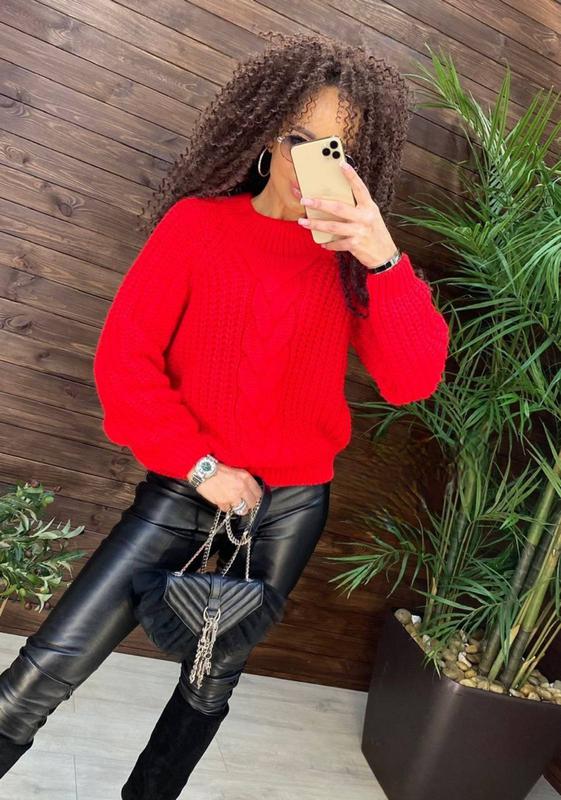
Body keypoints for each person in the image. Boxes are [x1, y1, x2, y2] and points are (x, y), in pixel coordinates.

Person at [0, 31, 449, 800]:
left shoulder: (354, 263)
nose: (312, 162)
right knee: (44, 672)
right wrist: (201, 466)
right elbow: (124, 364)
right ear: (264, 134)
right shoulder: (198, 227)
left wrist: (382, 258)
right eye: (300, 138)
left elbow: (412, 380)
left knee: (209, 683)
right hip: (185, 487)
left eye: (336, 149)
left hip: (288, 508)